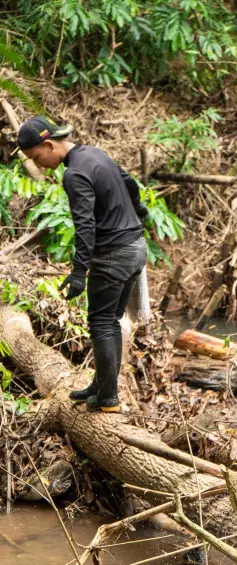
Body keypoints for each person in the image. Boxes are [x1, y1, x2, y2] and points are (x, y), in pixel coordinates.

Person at [18, 116, 148, 412]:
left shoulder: (74, 173)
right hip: (136, 247)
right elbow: (128, 180)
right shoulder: (96, 153)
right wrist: (138, 210)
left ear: (49, 144)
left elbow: (85, 224)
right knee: (111, 319)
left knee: (101, 321)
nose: (39, 165)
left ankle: (108, 397)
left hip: (113, 253)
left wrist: (79, 271)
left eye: (37, 157)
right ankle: (103, 386)